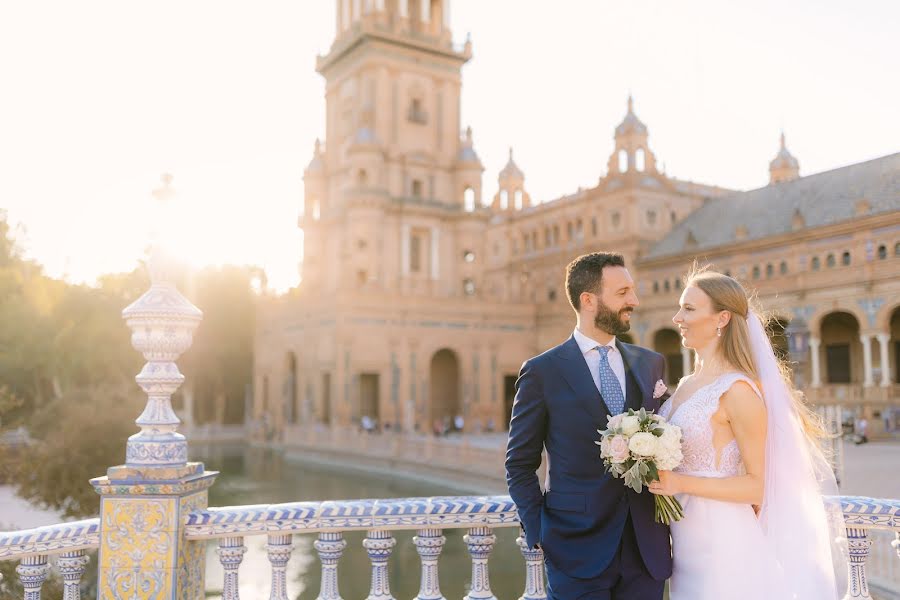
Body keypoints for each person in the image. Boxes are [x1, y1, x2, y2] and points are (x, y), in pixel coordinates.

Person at [649, 267, 843, 600]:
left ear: (722, 318)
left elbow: (759, 484)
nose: (677, 316)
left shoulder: (738, 389)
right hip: (684, 539)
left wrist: (680, 483)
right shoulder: (685, 385)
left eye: (689, 308)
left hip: (723, 538)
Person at [506, 252, 672, 599]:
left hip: (645, 550)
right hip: (575, 552)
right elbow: (520, 463)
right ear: (589, 300)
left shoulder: (651, 364)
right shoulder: (542, 372)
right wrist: (539, 531)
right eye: (623, 292)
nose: (635, 301)